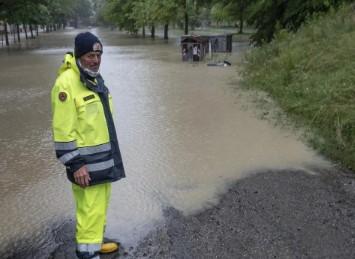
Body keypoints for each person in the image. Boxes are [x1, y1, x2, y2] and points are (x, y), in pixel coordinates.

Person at [51, 32, 126, 259]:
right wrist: (75, 164)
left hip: (103, 162)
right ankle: (87, 254)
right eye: (90, 55)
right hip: (85, 167)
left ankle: (96, 241)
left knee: (99, 207)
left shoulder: (93, 78)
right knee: (89, 210)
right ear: (79, 55)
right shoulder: (66, 84)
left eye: (98, 55)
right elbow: (63, 131)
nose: (95, 60)